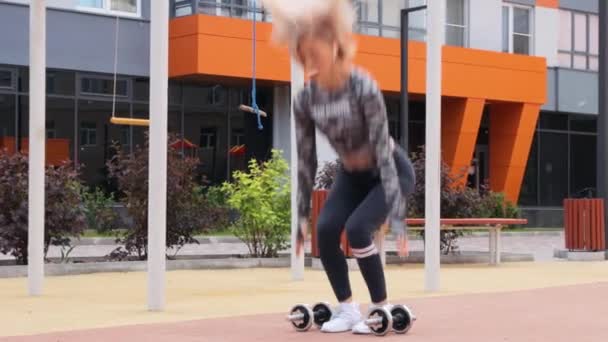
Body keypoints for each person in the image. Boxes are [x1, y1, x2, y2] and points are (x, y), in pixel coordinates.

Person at [262, 0, 416, 334]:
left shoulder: (363, 85)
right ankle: (347, 310)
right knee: (326, 230)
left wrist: (398, 218)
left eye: (314, 52)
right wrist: (301, 217)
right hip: (351, 175)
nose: (309, 61)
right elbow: (306, 161)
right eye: (302, 55)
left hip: (388, 170)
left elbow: (382, 150)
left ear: (334, 45)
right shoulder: (305, 100)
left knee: (359, 229)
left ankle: (381, 308)